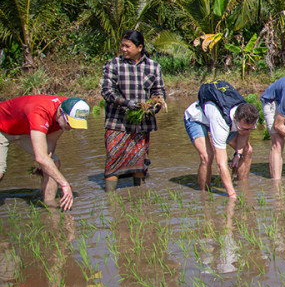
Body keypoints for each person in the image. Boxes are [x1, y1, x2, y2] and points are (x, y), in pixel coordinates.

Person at [100, 30, 166, 192]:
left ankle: (139, 195)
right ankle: (110, 198)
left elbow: (159, 92)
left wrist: (154, 107)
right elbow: (107, 91)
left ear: (139, 47)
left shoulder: (153, 67)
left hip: (141, 124)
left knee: (139, 161)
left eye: (127, 46)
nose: (123, 49)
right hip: (117, 123)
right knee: (113, 160)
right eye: (122, 46)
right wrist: (125, 103)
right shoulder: (114, 64)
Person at [0, 96, 90, 210]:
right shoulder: (40, 113)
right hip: (2, 128)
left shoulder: (69, 107)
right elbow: (41, 157)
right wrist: (64, 184)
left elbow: (51, 141)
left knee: (53, 163)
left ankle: (49, 204)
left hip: (25, 130)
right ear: (60, 112)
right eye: (69, 123)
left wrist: (45, 164)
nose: (71, 127)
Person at [183, 81, 259, 198]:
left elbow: (244, 134)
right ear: (235, 118)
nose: (247, 132)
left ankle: (242, 187)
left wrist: (238, 154)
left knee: (247, 150)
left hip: (226, 123)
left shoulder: (250, 114)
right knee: (207, 156)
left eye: (251, 129)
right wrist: (232, 195)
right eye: (244, 128)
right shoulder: (220, 122)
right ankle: (204, 195)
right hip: (196, 119)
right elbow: (221, 164)